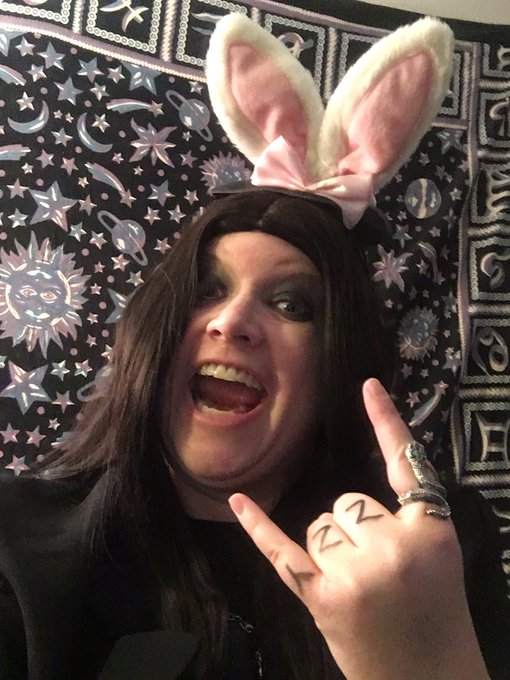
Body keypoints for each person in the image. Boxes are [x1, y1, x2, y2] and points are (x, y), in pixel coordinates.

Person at [0, 13, 509, 680]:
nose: (232, 321)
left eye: (292, 305)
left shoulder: (441, 550)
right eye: (204, 291)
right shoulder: (16, 545)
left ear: (336, 365)